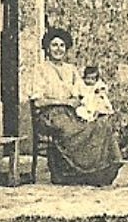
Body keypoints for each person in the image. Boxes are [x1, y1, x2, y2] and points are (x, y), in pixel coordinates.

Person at [29, 27, 121, 187]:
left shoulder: (70, 69)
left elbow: (83, 91)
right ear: (47, 48)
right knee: (69, 130)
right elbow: (38, 102)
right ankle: (71, 171)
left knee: (98, 124)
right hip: (49, 114)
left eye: (62, 45)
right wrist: (64, 102)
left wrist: (95, 96)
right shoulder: (40, 69)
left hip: (70, 112)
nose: (58, 49)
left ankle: (98, 170)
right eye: (54, 45)